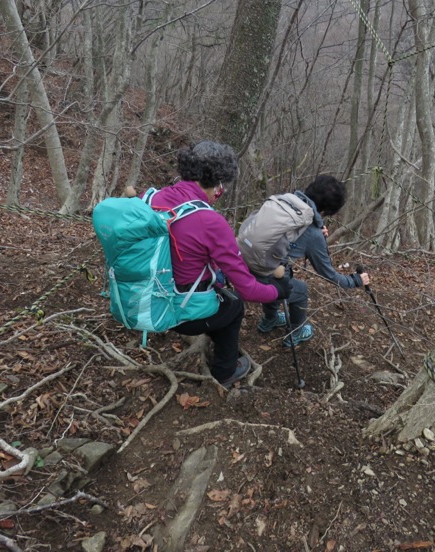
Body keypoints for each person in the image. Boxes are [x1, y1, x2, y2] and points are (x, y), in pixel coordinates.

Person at [140, 141, 290, 387]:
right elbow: (249, 290)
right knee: (234, 306)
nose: (221, 191)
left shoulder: (151, 196)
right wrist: (279, 290)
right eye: (222, 185)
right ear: (217, 181)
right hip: (178, 313)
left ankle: (215, 343)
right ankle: (225, 371)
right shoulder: (210, 220)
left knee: (220, 292)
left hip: (145, 297)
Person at [256, 175, 370, 347]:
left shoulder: (284, 203)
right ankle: (296, 332)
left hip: (243, 267)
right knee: (300, 290)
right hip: (261, 282)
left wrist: (317, 230)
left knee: (278, 273)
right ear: (328, 210)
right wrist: (354, 280)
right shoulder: (312, 233)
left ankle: (269, 320)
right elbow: (328, 274)